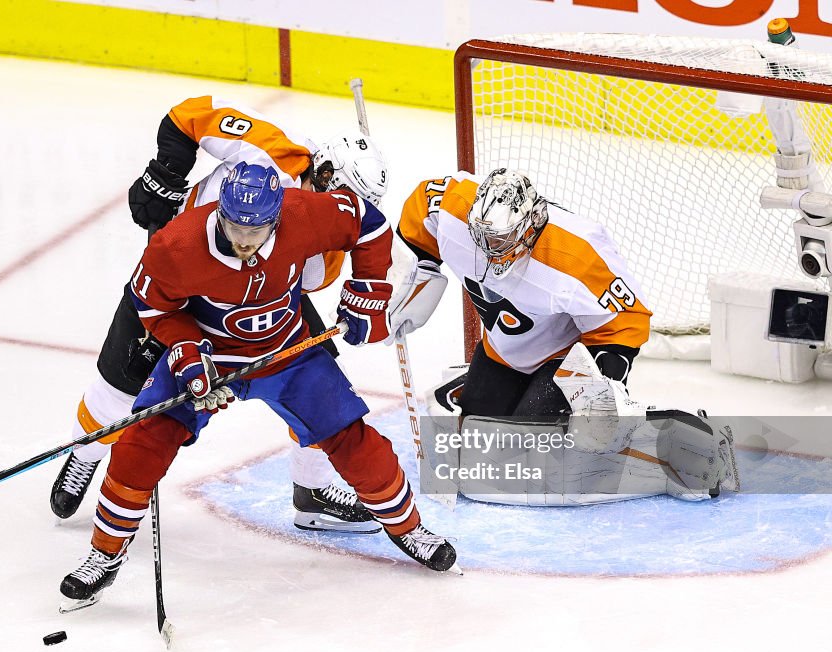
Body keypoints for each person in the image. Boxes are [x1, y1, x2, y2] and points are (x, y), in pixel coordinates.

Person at [59, 163, 459, 611]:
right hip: (213, 356)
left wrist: (368, 287)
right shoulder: (177, 245)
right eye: (234, 227)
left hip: (288, 351)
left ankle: (410, 530)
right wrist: (188, 352)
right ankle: (103, 554)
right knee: (140, 444)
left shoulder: (301, 213)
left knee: (356, 442)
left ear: (277, 218)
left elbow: (367, 223)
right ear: (220, 213)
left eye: (258, 230)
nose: (246, 241)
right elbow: (152, 307)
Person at [51, 96, 390, 534]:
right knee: (121, 384)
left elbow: (311, 275)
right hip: (180, 281)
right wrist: (166, 171)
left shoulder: (325, 233)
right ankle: (88, 452)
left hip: (256, 292)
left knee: (318, 376)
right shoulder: (273, 149)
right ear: (324, 175)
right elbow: (190, 114)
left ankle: (314, 488)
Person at [389, 169, 737, 504]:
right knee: (482, 449)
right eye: (484, 237)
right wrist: (411, 270)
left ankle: (680, 435)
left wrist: (601, 388)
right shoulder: (455, 211)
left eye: (501, 240)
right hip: (503, 351)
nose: (489, 251)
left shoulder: (575, 254)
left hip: (565, 358)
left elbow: (629, 316)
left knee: (542, 453)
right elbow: (422, 204)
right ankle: (475, 383)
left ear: (530, 228)